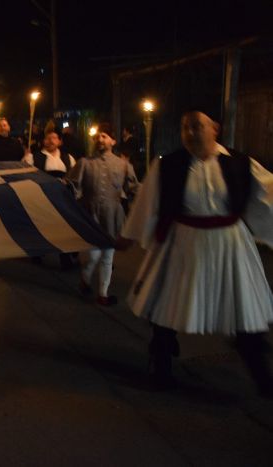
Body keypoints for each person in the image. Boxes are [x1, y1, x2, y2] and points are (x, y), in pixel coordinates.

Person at [116, 111, 273, 394]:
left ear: (215, 129)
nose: (189, 133)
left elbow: (268, 194)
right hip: (182, 242)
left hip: (231, 244)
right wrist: (128, 236)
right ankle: (160, 364)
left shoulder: (240, 163)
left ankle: (260, 373)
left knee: (244, 307)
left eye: (196, 126)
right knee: (167, 305)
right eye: (184, 127)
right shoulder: (167, 165)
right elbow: (147, 204)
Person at [68, 122, 137, 306]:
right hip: (92, 215)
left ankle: (103, 294)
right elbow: (72, 186)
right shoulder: (85, 163)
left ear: (113, 141)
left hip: (113, 216)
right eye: (98, 136)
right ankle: (85, 280)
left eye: (104, 136)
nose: (100, 139)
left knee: (108, 256)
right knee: (93, 256)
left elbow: (133, 189)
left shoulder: (123, 165)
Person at [23, 130, 77, 269]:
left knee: (64, 227)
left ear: (60, 141)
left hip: (62, 198)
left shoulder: (68, 158)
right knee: (41, 226)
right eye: (48, 138)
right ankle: (38, 253)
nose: (51, 140)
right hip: (42, 196)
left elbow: (74, 177)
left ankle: (65, 256)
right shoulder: (32, 158)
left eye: (54, 137)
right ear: (43, 141)